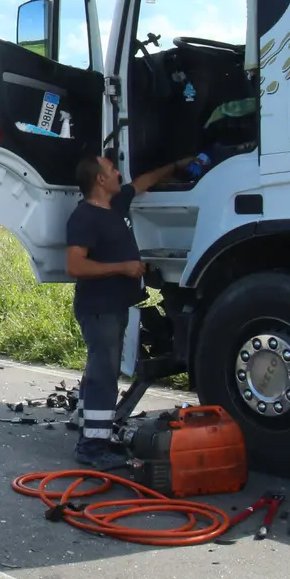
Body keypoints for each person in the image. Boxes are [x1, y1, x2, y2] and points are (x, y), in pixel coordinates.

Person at [66, 153, 192, 469]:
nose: (118, 172)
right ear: (100, 180)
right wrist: (122, 267)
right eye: (111, 170)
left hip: (114, 307)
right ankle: (92, 448)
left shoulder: (116, 204)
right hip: (99, 309)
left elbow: (142, 182)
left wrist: (175, 165)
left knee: (99, 369)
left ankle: (88, 425)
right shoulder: (84, 218)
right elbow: (75, 264)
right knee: (103, 376)